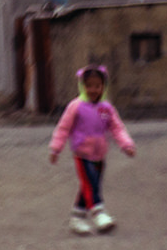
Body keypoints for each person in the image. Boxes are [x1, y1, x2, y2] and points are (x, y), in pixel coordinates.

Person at [47, 62, 136, 235]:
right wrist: (55, 149)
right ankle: (99, 213)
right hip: (82, 153)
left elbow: (117, 128)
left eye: (97, 86)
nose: (93, 90)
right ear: (82, 86)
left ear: (104, 87)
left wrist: (126, 145)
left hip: (100, 153)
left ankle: (77, 217)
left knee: (88, 185)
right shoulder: (76, 106)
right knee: (91, 184)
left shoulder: (107, 108)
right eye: (89, 86)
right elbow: (63, 128)